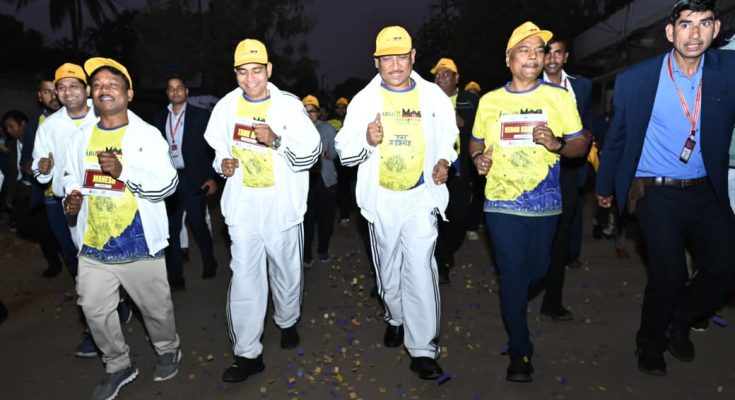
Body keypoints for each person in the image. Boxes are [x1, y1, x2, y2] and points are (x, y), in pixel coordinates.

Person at [595, 0, 735, 376]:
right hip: (656, 192)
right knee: (669, 274)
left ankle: (679, 320)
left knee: (725, 268)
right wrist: (605, 185)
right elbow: (617, 138)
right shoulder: (638, 79)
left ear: (716, 29)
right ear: (671, 32)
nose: (695, 33)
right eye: (686, 24)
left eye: (704, 23)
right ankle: (650, 342)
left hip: (707, 190)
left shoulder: (729, 70)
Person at [335, 26, 457, 380]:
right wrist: (366, 139)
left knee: (420, 269)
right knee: (389, 271)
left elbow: (449, 138)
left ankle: (423, 349)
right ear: (376, 62)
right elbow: (344, 152)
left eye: (401, 57)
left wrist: (444, 161)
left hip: (420, 197)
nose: (395, 65)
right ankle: (395, 316)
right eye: (387, 59)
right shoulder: (364, 101)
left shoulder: (433, 97)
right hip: (382, 199)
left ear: (413, 57)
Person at [470, 21, 589, 382]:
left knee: (536, 272)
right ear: (508, 59)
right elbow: (476, 141)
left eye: (539, 50)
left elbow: (580, 144)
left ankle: (517, 299)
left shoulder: (559, 98)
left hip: (545, 203)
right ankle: (520, 352)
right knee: (512, 274)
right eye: (525, 50)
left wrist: (557, 144)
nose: (534, 57)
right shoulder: (490, 101)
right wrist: (478, 159)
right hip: (501, 202)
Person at [63, 57, 181, 399]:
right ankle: (118, 364)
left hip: (139, 244)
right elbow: (71, 176)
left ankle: (168, 348)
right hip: (95, 243)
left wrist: (122, 171)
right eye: (97, 84)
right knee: (93, 308)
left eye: (112, 84)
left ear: (128, 94)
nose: (104, 89)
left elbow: (167, 185)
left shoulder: (147, 136)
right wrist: (72, 197)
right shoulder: (81, 137)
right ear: (91, 94)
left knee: (155, 310)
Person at [204, 39, 320, 383]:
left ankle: (287, 320)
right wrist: (222, 164)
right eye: (243, 71)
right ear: (235, 73)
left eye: (257, 70)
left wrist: (276, 141)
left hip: (281, 204)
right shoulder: (226, 107)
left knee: (285, 270)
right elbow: (219, 150)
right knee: (244, 276)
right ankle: (247, 353)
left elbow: (310, 154)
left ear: (269, 70)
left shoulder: (289, 107)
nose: (250, 78)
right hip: (243, 206)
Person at [540, 38, 595, 321]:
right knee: (540, 234)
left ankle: (553, 300)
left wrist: (589, 134)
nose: (552, 58)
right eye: (547, 53)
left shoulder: (582, 86)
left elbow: (588, 120)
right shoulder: (529, 86)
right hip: (538, 167)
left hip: (570, 167)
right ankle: (529, 283)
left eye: (557, 53)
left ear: (566, 57)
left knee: (562, 234)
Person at [153, 75, 218, 291]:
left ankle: (210, 262)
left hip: (194, 178)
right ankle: (176, 277)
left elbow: (212, 148)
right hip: (170, 180)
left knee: (198, 224)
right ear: (167, 93)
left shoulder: (201, 115)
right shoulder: (159, 117)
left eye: (179, 88)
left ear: (186, 91)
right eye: (171, 88)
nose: (175, 91)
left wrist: (212, 176)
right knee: (171, 229)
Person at [431, 57, 478, 283]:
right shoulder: (427, 100)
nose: (440, 79)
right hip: (434, 169)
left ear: (456, 78)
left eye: (445, 74)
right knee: (435, 218)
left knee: (458, 219)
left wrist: (443, 106)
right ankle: (441, 263)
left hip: (460, 169)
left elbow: (465, 124)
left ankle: (447, 252)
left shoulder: (469, 99)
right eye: (437, 75)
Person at [2, 109, 64, 277]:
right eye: (6, 128)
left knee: (48, 228)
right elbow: (13, 173)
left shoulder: (40, 141)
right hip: (24, 191)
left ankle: (59, 260)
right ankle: (54, 258)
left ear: (23, 125)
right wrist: (10, 195)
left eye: (11, 126)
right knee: (32, 229)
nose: (8, 130)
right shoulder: (11, 145)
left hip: (41, 190)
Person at [302, 95, 338, 266]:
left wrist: (318, 153)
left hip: (325, 179)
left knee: (326, 219)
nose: (310, 114)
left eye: (313, 111)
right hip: (304, 180)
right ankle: (306, 254)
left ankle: (323, 250)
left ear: (318, 112)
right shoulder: (296, 129)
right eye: (306, 111)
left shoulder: (327, 129)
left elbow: (334, 155)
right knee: (306, 219)